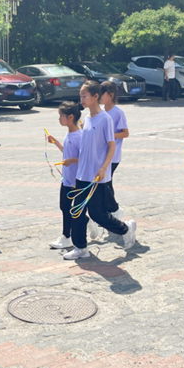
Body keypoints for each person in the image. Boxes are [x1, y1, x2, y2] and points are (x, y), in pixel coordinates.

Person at [63, 81, 137, 260]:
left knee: (98, 214)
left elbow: (111, 146)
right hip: (82, 174)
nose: (81, 99)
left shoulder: (105, 119)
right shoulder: (87, 119)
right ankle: (81, 247)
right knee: (77, 211)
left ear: (95, 96)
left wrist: (104, 168)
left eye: (84, 96)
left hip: (97, 176)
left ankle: (125, 229)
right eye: (81, 96)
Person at [46, 101, 82, 249]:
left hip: (75, 180)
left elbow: (85, 159)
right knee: (65, 207)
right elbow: (67, 152)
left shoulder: (79, 136)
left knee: (67, 208)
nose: (59, 119)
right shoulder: (69, 133)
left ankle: (67, 237)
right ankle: (71, 233)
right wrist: (56, 142)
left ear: (70, 117)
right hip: (66, 178)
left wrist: (71, 161)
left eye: (61, 116)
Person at [100, 80, 128, 219]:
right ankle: (110, 210)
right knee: (105, 183)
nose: (99, 96)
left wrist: (110, 135)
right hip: (102, 155)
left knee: (106, 184)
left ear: (110, 95)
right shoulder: (100, 111)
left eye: (102, 94)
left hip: (113, 155)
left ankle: (114, 209)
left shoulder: (118, 113)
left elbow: (125, 133)